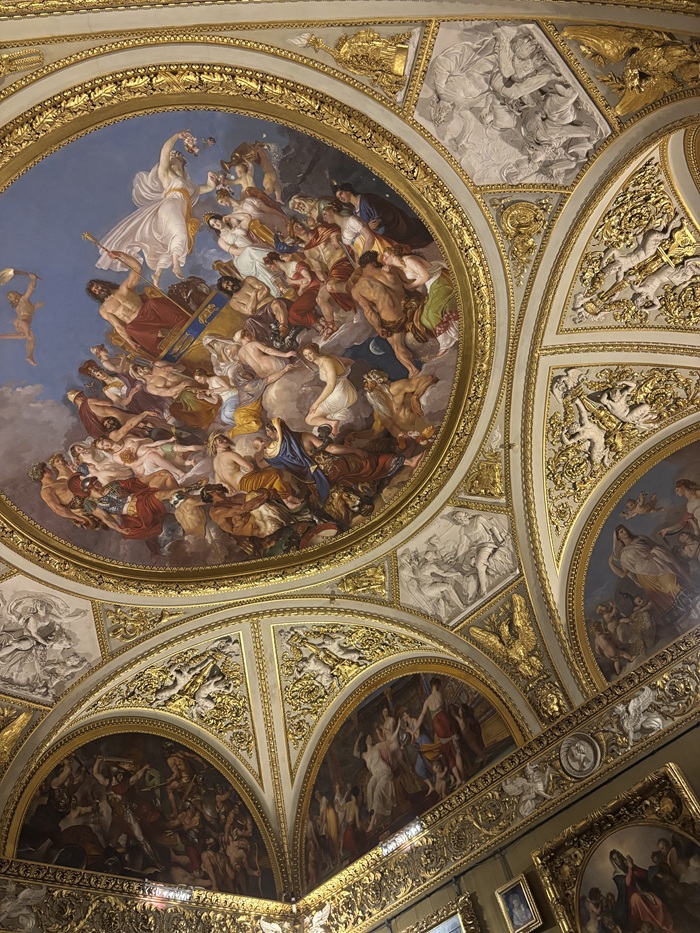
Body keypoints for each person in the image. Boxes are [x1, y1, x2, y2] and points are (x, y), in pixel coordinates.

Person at [96, 130, 217, 286]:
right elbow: (165, 150)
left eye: (176, 155)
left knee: (170, 241)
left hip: (180, 209)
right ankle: (176, 265)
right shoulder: (165, 174)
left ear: (181, 160)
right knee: (179, 233)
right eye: (172, 156)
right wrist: (176, 137)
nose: (173, 156)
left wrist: (211, 180)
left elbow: (207, 187)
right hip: (170, 204)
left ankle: (158, 273)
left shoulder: (189, 185)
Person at [87, 250, 190, 356]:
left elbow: (137, 268)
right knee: (130, 328)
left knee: (153, 302)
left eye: (97, 287)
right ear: (95, 295)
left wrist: (121, 255)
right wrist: (129, 341)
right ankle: (161, 335)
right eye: (95, 291)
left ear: (102, 284)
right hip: (138, 325)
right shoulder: (104, 309)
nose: (98, 290)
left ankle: (182, 322)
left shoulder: (124, 288)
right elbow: (118, 325)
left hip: (148, 311)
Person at [351, 251, 422, 377]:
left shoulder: (358, 288)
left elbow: (369, 311)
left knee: (397, 347)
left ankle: (413, 370)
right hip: (411, 305)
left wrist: (378, 328)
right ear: (373, 262)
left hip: (393, 318)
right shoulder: (389, 270)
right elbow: (409, 284)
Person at [381, 247, 459, 355]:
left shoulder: (409, 260)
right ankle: (452, 337)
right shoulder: (402, 267)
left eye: (385, 256)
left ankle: (446, 344)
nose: (383, 259)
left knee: (432, 312)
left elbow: (426, 276)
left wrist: (409, 286)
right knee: (423, 318)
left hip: (441, 281)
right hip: (432, 286)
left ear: (393, 255)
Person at [609, 525, 693, 622]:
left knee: (672, 584)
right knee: (661, 597)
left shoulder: (641, 539)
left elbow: (657, 546)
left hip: (658, 566)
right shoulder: (624, 555)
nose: (625, 532)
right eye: (621, 532)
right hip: (646, 578)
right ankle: (681, 617)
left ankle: (691, 604)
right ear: (618, 537)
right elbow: (623, 574)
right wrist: (611, 564)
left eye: (625, 530)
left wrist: (654, 553)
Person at [334, 182, 432, 248]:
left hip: (391, 227)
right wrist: (368, 229)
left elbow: (384, 213)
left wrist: (375, 224)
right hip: (378, 235)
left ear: (347, 191)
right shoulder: (354, 211)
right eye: (338, 197)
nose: (341, 198)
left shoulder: (366, 199)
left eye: (341, 194)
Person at [206, 214, 282, 296]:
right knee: (250, 250)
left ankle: (278, 288)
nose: (216, 224)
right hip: (242, 260)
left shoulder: (237, 228)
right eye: (213, 225)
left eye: (215, 221)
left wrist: (230, 216)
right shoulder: (221, 240)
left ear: (220, 218)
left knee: (258, 264)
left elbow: (247, 217)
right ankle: (279, 258)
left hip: (255, 253)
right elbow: (236, 251)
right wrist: (252, 246)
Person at [300, 343, 359, 436]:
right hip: (344, 391)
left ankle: (332, 423)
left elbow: (331, 385)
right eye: (305, 355)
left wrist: (316, 404)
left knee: (309, 419)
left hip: (340, 394)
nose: (308, 357)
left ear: (315, 351)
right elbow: (350, 362)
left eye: (310, 353)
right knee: (313, 417)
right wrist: (343, 375)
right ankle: (331, 423)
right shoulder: (325, 359)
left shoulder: (326, 362)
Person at [1, 271, 43, 365]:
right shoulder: (23, 299)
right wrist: (33, 279)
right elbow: (31, 288)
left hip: (19, 322)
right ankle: (29, 356)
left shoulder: (18, 306)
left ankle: (29, 356)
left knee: (26, 337)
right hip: (22, 322)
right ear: (16, 295)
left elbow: (28, 311)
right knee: (29, 338)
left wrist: (36, 306)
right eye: (16, 292)